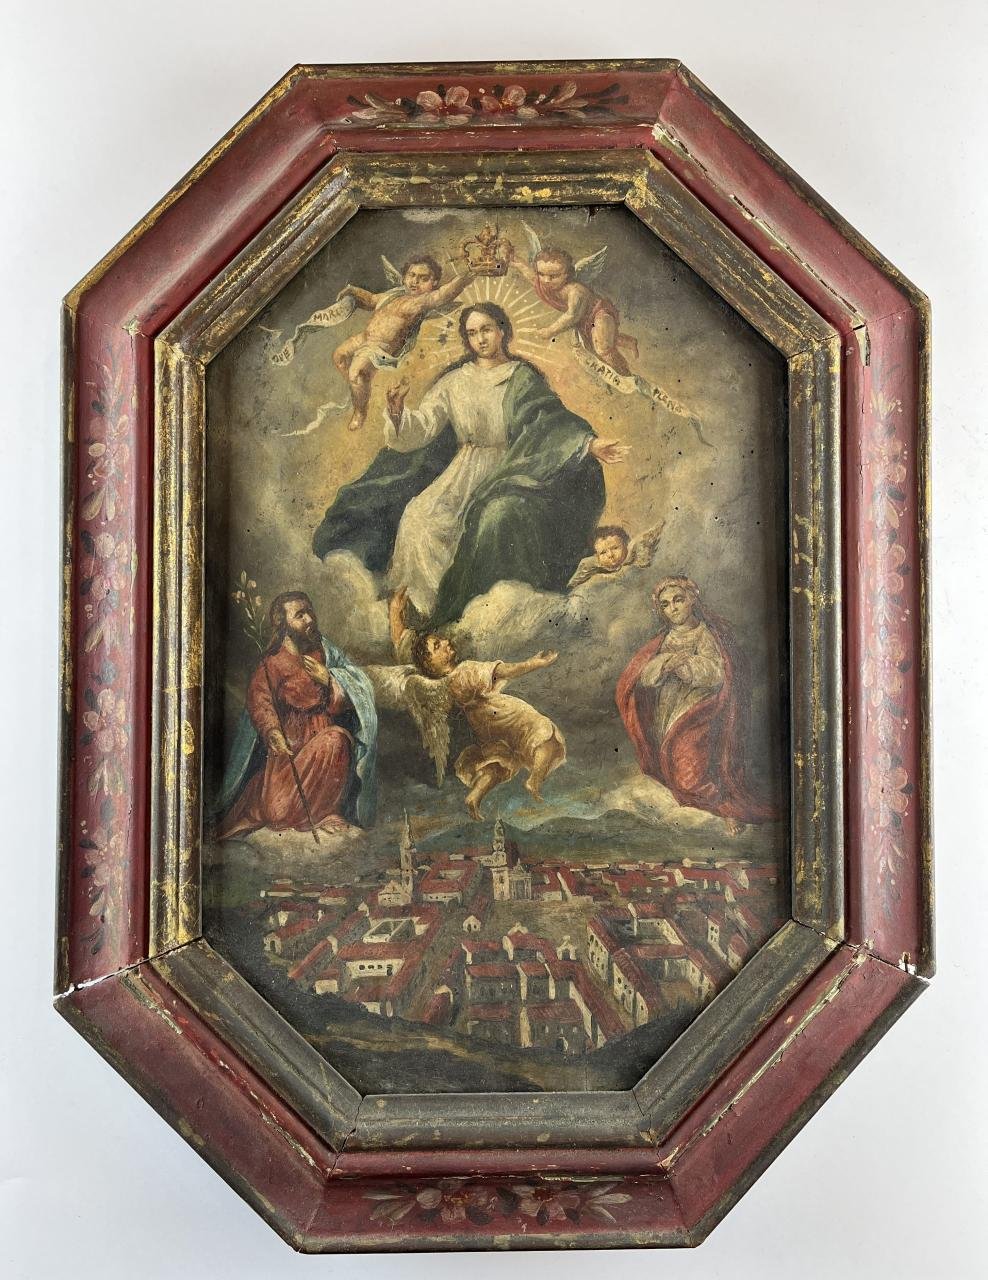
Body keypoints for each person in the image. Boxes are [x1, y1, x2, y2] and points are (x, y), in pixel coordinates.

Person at [312, 302, 628, 626]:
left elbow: (549, 421)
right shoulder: (455, 381)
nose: (480, 339)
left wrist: (588, 444)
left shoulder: (521, 378)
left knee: (487, 523)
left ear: (502, 331)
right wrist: (397, 413)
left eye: (486, 330)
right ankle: (421, 610)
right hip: (463, 469)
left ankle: (456, 613)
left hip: (509, 467)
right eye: (472, 333)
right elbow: (424, 426)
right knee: (419, 520)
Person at [615, 577, 778, 835]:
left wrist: (684, 665)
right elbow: (643, 678)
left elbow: (717, 674)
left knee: (689, 771)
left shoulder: (705, 635)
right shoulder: (663, 640)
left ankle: (727, 810)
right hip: (670, 712)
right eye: (666, 604)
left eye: (678, 600)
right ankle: (720, 809)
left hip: (701, 711)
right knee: (678, 768)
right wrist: (664, 664)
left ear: (692, 598)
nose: (673, 608)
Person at [393, 587, 565, 820]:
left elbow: (404, 650)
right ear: (431, 665)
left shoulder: (443, 685)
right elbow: (502, 671)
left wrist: (395, 616)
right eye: (437, 646)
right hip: (501, 713)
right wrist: (533, 663)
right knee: (544, 733)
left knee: (499, 759)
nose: (445, 642)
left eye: (440, 640)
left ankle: (475, 796)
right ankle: (534, 780)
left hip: (481, 725)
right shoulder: (465, 671)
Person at [216, 591, 378, 837]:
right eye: (299, 615)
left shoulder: (324, 653)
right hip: (288, 763)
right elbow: (260, 702)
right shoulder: (271, 665)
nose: (309, 619)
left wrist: (330, 679)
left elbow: (356, 686)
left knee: (337, 741)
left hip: (324, 754)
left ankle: (325, 812)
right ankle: (291, 807)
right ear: (283, 625)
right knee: (334, 741)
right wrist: (272, 732)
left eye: (309, 611)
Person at [332, 256, 478, 432]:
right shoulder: (394, 295)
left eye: (423, 278)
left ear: (434, 282)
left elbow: (443, 294)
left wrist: (467, 276)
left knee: (356, 373)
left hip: (381, 348)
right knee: (339, 356)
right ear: (404, 277)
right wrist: (353, 290)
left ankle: (360, 411)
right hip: (364, 338)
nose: (415, 282)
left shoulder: (421, 302)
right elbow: (371, 300)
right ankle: (358, 392)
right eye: (412, 275)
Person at [507, 244, 639, 376]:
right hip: (584, 321)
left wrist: (550, 331)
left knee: (602, 349)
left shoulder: (575, 291)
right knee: (598, 340)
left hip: (599, 314)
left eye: (554, 276)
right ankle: (628, 342)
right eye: (541, 274)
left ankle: (625, 375)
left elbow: (572, 316)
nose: (546, 280)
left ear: (567, 275)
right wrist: (510, 257)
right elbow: (524, 268)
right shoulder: (544, 285)